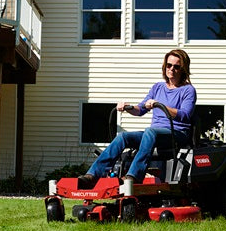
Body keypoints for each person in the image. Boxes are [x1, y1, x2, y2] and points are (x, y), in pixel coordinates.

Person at [78, 49, 196, 188]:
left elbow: (185, 115)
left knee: (150, 131)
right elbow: (140, 109)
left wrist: (160, 105)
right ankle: (93, 175)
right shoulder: (158, 87)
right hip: (154, 134)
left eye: (176, 66)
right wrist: (128, 108)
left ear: (183, 69)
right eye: (169, 65)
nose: (171, 69)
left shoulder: (188, 90)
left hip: (176, 134)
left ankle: (134, 176)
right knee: (123, 137)